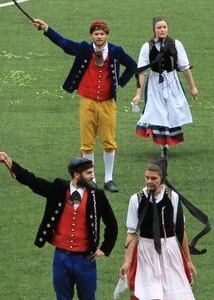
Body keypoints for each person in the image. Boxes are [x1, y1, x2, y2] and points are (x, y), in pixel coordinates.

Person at [0, 151, 117, 300]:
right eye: (89, 173)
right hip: (62, 259)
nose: (92, 176)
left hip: (86, 261)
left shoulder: (97, 196)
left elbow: (112, 224)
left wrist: (103, 250)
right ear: (76, 174)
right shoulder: (60, 188)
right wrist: (10, 163)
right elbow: (33, 182)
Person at [32, 18, 137, 192]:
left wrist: (119, 82)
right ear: (91, 35)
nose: (99, 37)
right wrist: (47, 29)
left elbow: (132, 65)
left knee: (109, 141)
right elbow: (64, 43)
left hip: (107, 103)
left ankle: (109, 179)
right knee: (87, 143)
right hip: (87, 102)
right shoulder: (84, 49)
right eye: (96, 34)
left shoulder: (116, 51)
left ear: (107, 35)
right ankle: (92, 178)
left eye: (102, 34)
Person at [120, 161, 196, 300]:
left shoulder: (173, 198)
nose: (149, 182)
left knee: (172, 295)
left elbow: (181, 230)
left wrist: (188, 260)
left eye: (153, 178)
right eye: (147, 178)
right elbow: (131, 233)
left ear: (162, 178)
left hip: (169, 248)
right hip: (146, 252)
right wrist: (127, 261)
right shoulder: (136, 199)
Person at [132, 17, 197, 154]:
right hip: (155, 83)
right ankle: (163, 146)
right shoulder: (147, 47)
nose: (162, 30)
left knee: (172, 112)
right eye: (159, 28)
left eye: (164, 27)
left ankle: (167, 141)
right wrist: (138, 93)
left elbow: (185, 67)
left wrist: (192, 87)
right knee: (157, 113)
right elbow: (142, 71)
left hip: (172, 82)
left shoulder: (175, 44)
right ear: (154, 30)